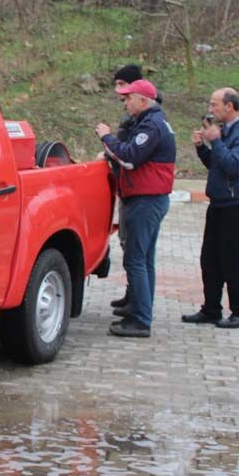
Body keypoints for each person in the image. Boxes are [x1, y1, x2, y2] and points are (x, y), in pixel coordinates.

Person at [94, 78, 175, 338]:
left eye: (129, 98)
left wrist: (106, 137)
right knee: (144, 259)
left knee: (136, 260)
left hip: (145, 200)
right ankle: (140, 310)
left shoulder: (151, 126)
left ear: (143, 100)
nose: (125, 102)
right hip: (146, 198)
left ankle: (141, 319)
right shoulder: (149, 123)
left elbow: (129, 158)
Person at [182, 88, 239, 329]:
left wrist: (215, 140)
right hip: (218, 204)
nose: (211, 109)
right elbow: (217, 165)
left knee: (233, 261)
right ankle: (211, 309)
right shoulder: (226, 131)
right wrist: (202, 148)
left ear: (230, 106)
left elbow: (234, 166)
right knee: (210, 260)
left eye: (215, 104)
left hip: (236, 207)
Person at [107, 64, 144, 312]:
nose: (118, 92)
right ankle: (134, 296)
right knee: (129, 247)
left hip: (139, 192)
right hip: (127, 189)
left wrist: (108, 141)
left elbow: (130, 153)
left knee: (136, 252)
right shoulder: (132, 116)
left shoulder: (145, 119)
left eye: (122, 85)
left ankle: (139, 307)